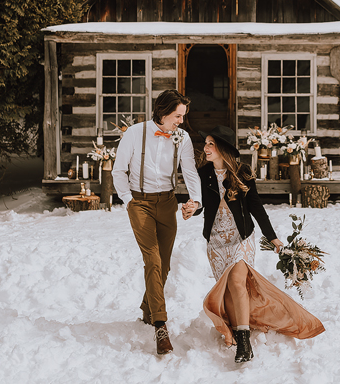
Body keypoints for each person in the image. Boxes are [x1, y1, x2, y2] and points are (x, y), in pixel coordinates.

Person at [188, 125, 325, 363]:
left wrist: (272, 237)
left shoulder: (242, 172)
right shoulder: (203, 173)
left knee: (238, 283)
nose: (206, 148)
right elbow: (199, 203)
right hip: (216, 240)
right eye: (206, 143)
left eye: (211, 143)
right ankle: (237, 328)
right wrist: (191, 207)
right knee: (229, 287)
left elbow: (256, 207)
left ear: (222, 148)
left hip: (241, 238)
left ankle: (244, 340)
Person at [113, 90, 203, 356]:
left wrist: (194, 201)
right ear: (163, 113)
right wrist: (128, 200)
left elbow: (189, 171)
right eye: (178, 116)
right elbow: (119, 170)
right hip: (139, 203)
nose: (181, 122)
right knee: (152, 260)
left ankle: (146, 309)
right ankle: (160, 326)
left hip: (167, 203)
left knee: (163, 264)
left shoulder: (182, 137)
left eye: (183, 116)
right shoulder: (134, 133)